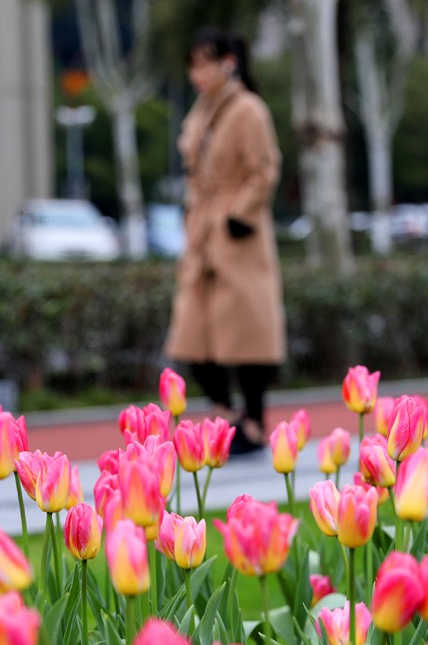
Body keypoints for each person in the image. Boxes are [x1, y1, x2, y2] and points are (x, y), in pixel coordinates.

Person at [163, 29, 286, 455]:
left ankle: (253, 422)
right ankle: (226, 416)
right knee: (193, 333)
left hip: (237, 230)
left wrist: (240, 214)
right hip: (202, 225)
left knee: (247, 331)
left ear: (228, 62)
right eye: (192, 65)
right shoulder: (203, 109)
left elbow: (265, 169)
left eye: (205, 63)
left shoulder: (248, 109)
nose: (197, 73)